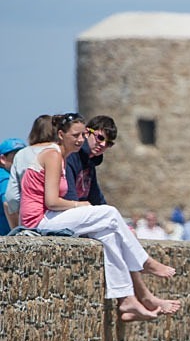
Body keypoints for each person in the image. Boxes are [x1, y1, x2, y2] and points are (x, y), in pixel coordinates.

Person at [19, 113, 177, 322]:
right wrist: (79, 205)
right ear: (61, 134)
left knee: (109, 234)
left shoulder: (67, 158)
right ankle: (145, 262)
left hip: (48, 217)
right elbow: (51, 201)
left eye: (82, 135)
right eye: (75, 135)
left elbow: (94, 197)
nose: (80, 140)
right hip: (39, 221)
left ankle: (126, 299)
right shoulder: (54, 155)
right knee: (110, 213)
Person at [4, 115, 56, 229]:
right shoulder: (56, 151)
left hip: (28, 217)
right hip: (54, 215)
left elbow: (11, 197)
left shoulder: (21, 155)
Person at [63, 115, 116, 206]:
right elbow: (69, 195)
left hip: (80, 210)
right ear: (87, 133)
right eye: (100, 138)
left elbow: (97, 199)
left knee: (110, 212)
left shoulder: (90, 163)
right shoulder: (72, 156)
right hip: (68, 210)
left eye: (108, 143)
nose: (103, 144)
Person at [0, 138, 26, 235]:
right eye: (15, 156)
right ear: (3, 159)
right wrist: (17, 232)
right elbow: (8, 203)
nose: (20, 159)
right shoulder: (5, 179)